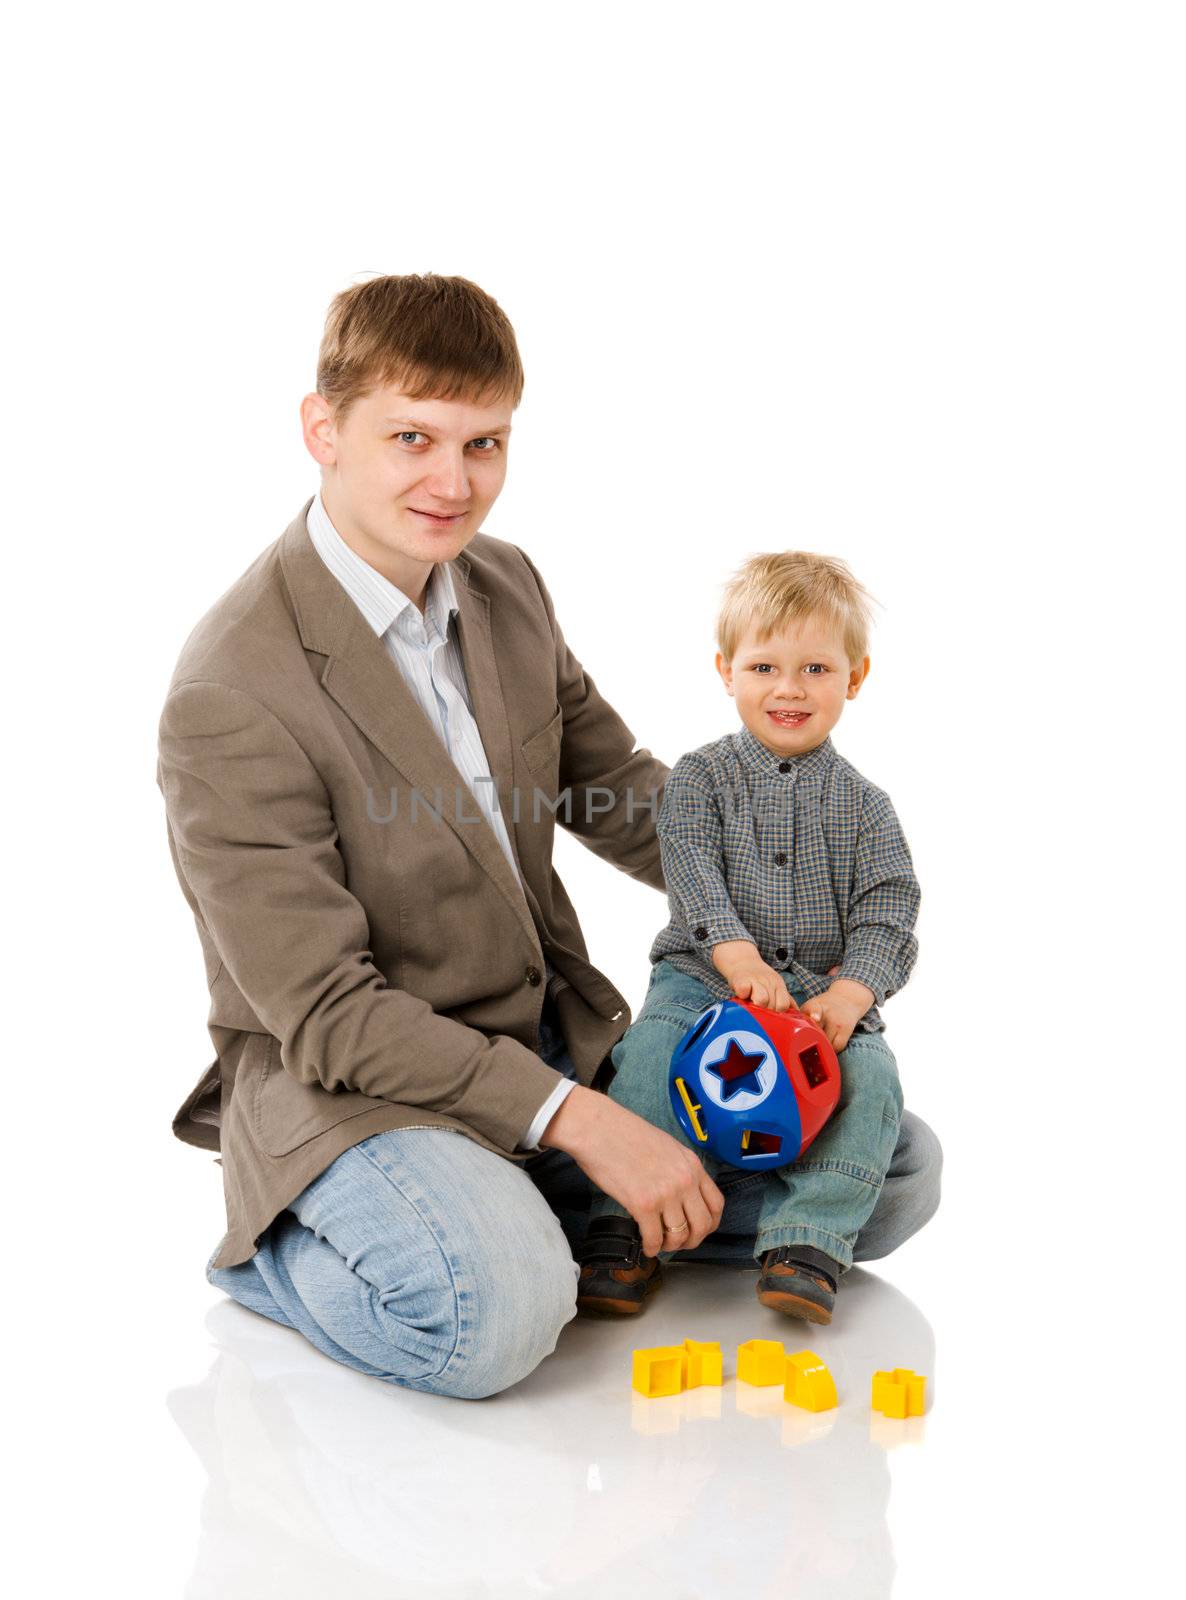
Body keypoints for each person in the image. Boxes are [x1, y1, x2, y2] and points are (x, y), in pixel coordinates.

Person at [157, 273, 942, 1399]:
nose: (452, 481)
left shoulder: (504, 585)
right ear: (322, 429)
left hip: (540, 1041)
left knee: (895, 1169)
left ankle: (541, 1206)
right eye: (412, 437)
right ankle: (282, 1242)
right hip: (358, 1084)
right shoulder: (233, 687)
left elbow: (624, 793)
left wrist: (817, 908)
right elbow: (324, 1012)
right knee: (496, 1315)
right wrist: (583, 1123)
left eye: (484, 443)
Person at [575, 552, 928, 1327]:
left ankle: (806, 1241)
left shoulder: (868, 807)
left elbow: (890, 910)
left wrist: (851, 991)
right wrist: (735, 956)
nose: (790, 688)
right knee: (650, 1056)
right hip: (705, 980)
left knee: (870, 1083)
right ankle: (620, 1228)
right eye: (765, 666)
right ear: (726, 671)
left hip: (818, 1001)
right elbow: (692, 872)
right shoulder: (701, 779)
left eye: (814, 668)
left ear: (855, 677)